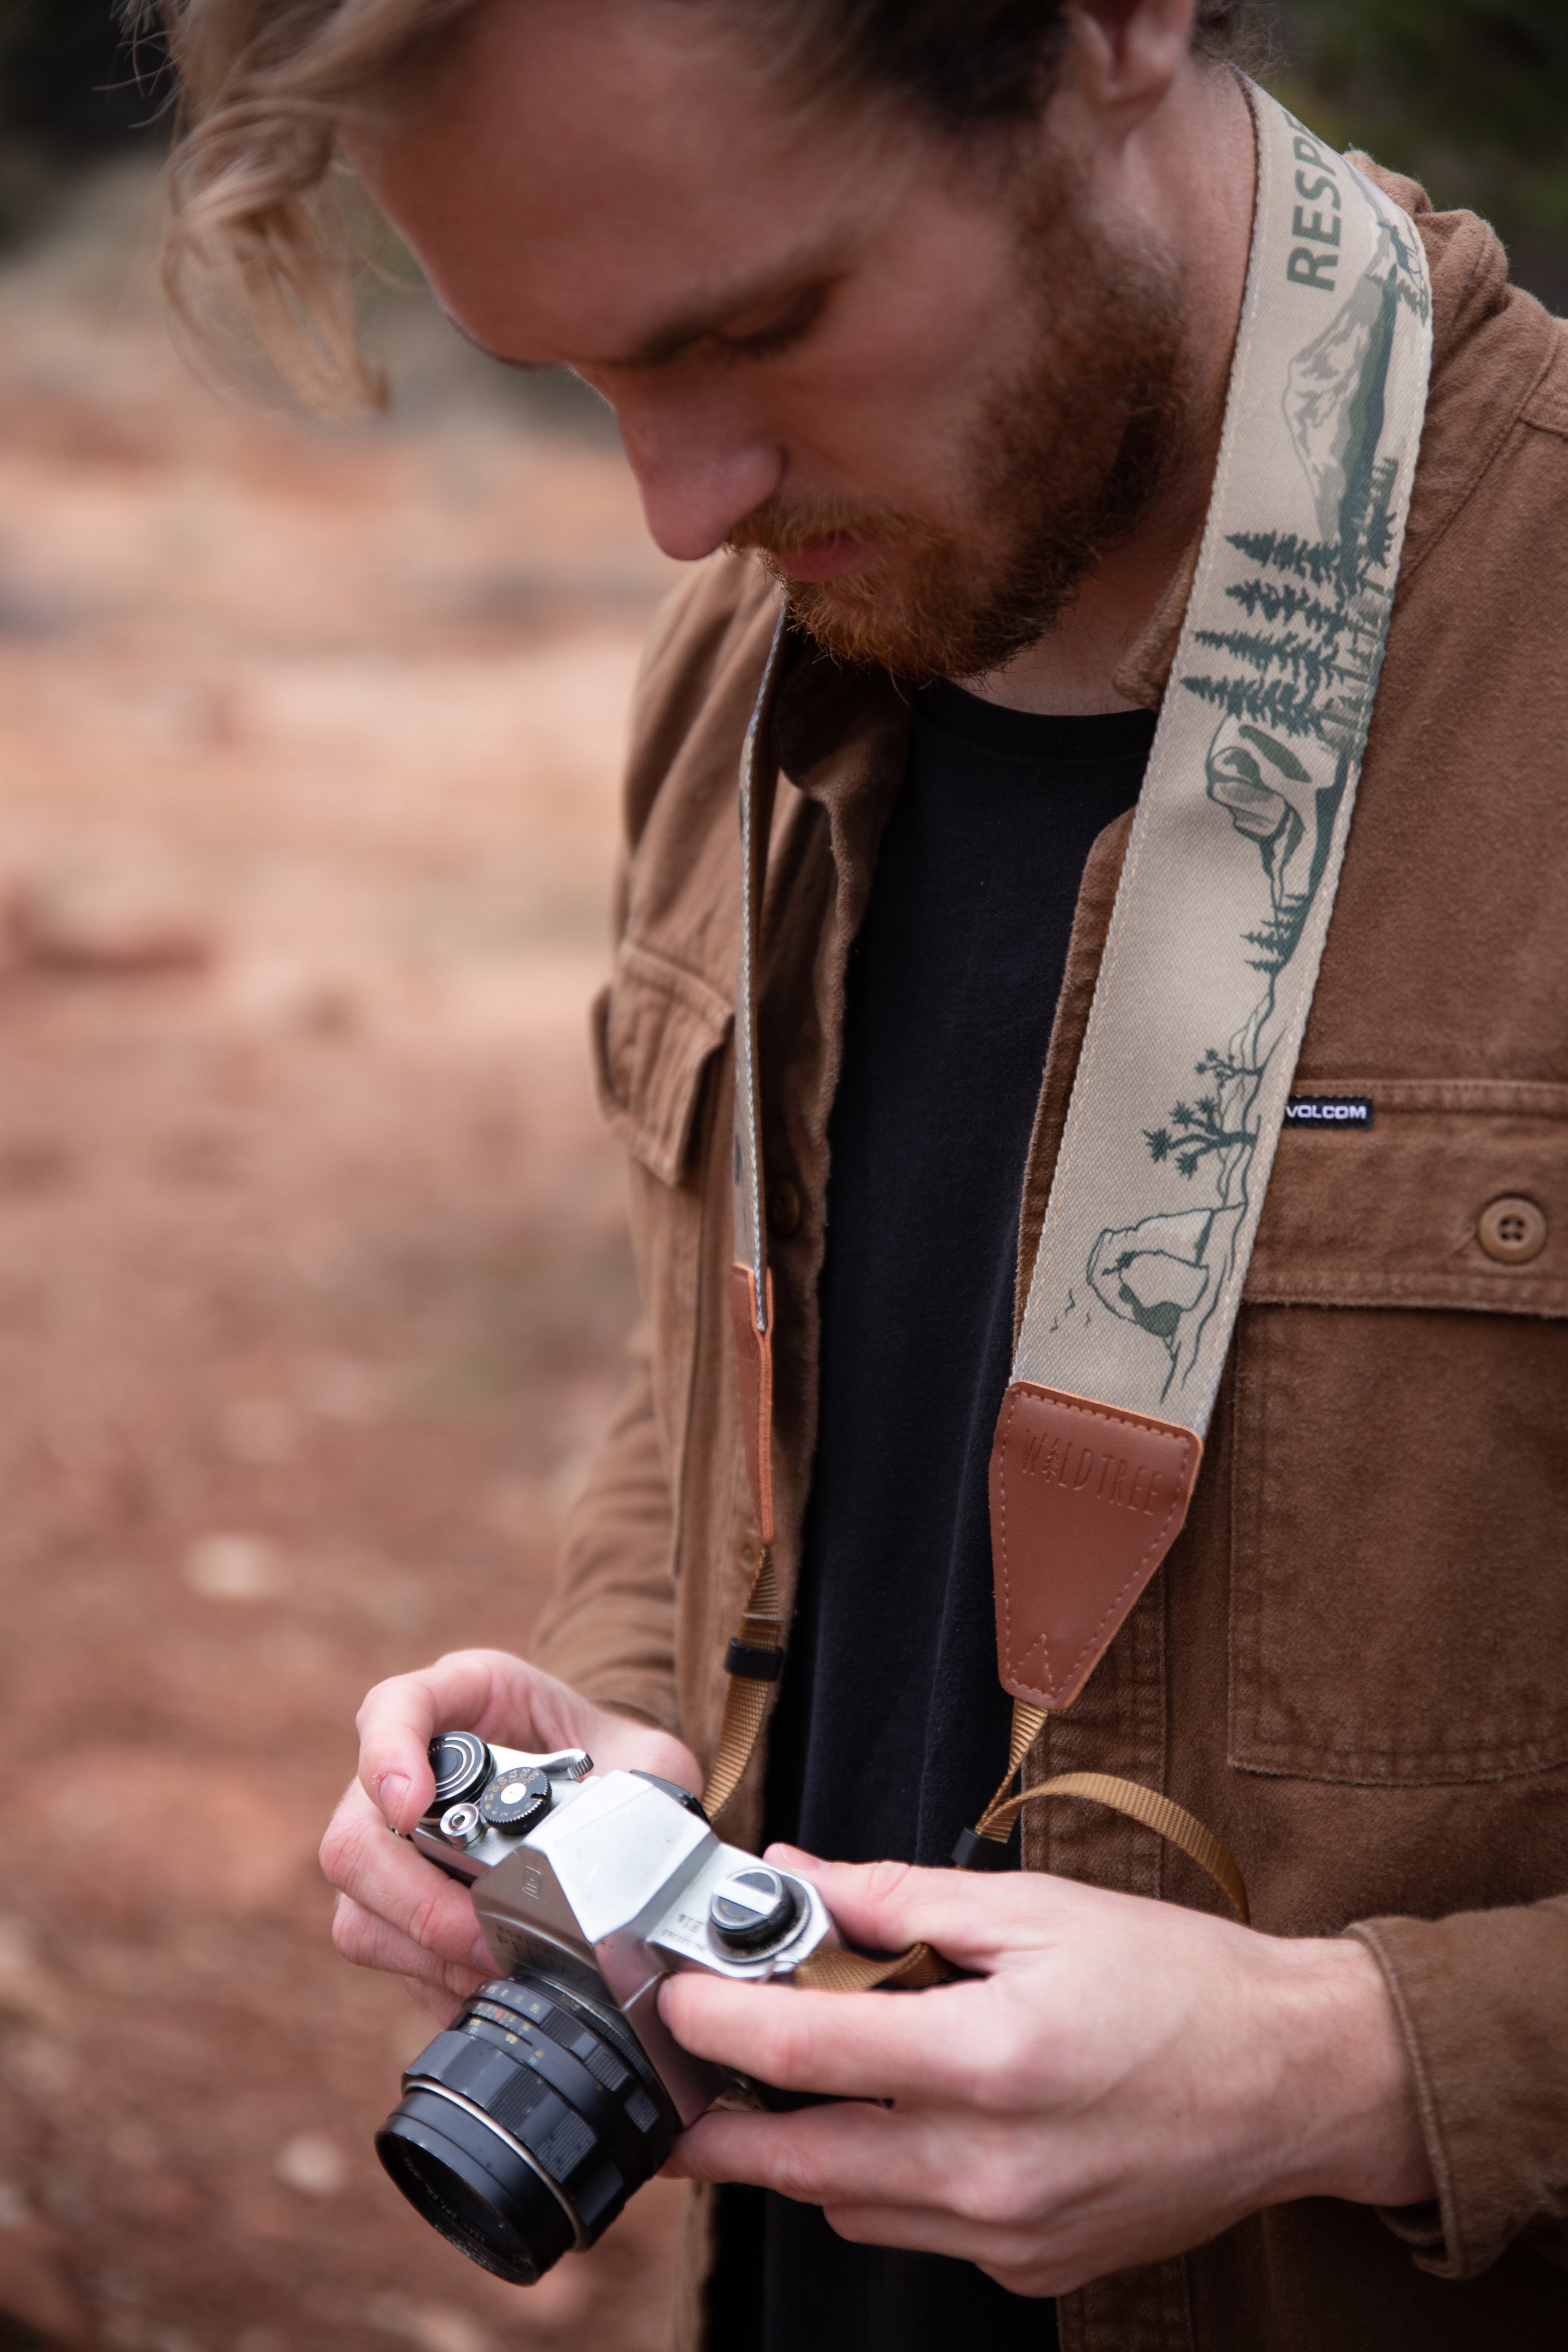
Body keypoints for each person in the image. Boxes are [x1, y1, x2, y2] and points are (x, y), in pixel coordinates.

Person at [145, 2, 1568, 2346]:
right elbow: (733, 1363)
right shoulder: (756, 650)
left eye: (754, 327)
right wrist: (621, 1728)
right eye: (575, 377)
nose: (677, 506)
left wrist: (1368, 2076)